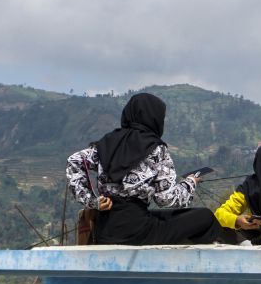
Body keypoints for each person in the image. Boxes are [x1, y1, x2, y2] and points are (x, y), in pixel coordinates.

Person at [66, 93, 220, 245]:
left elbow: (74, 161)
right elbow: (167, 200)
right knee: (205, 217)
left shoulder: (107, 142)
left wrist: (92, 201)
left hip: (104, 229)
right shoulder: (156, 148)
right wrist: (190, 182)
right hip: (137, 231)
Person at [214, 144, 261, 245]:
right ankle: (250, 244)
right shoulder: (249, 187)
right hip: (257, 231)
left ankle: (256, 243)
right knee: (220, 228)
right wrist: (237, 220)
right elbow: (219, 214)